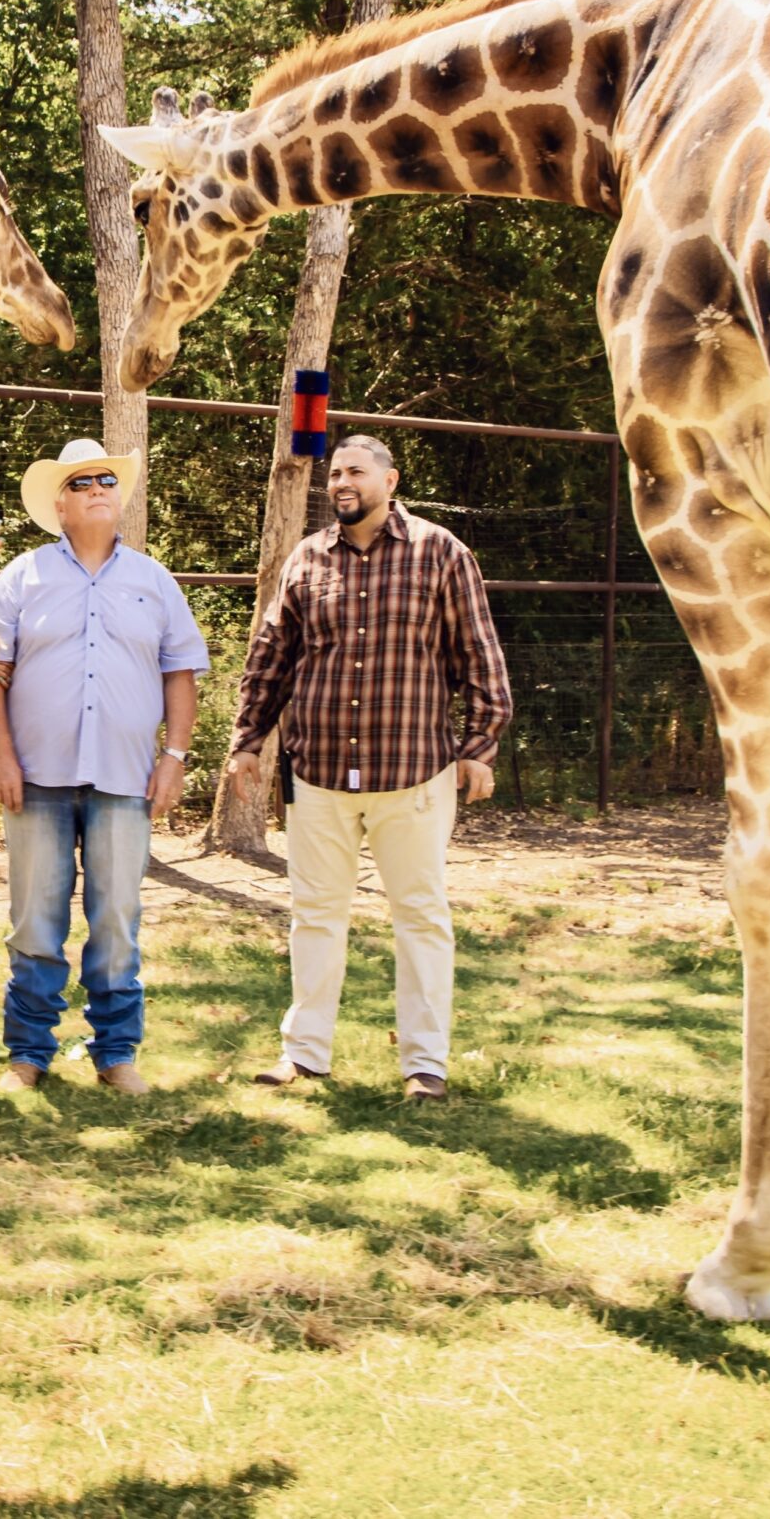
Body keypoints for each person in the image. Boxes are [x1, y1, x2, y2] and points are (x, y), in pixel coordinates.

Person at [224, 435, 514, 1100]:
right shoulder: (307, 559)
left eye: (355, 471)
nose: (342, 482)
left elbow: (481, 655)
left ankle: (425, 1064)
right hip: (318, 774)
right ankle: (304, 1053)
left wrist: (480, 745)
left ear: (391, 479)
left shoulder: (441, 553)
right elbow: (270, 658)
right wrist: (247, 740)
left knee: (420, 916)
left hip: (413, 773)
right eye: (335, 473)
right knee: (316, 914)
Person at [0, 439, 208, 1097]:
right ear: (60, 503)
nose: (99, 487)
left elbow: (180, 671)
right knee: (34, 921)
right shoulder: (22, 576)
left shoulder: (154, 579)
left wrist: (175, 757)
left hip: (125, 779)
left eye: (107, 478)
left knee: (115, 919)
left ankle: (116, 1052)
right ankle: (27, 1052)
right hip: (37, 778)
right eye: (83, 482)